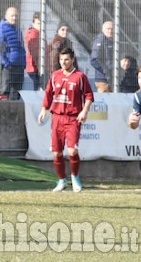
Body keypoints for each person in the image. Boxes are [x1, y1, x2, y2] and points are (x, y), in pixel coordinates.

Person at [38, 47, 93, 193]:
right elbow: (48, 94)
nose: (63, 62)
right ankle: (62, 180)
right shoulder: (55, 75)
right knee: (57, 153)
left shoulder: (80, 77)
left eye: (66, 59)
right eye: (61, 60)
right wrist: (44, 109)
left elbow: (88, 95)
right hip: (57, 118)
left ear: (73, 59)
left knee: (72, 151)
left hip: (73, 118)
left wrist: (84, 111)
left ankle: (75, 177)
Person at [0, 6, 26, 101]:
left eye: (16, 16)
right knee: (5, 95)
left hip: (19, 67)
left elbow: (21, 48)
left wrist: (24, 63)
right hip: (8, 68)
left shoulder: (18, 30)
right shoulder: (1, 31)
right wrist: (6, 63)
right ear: (6, 16)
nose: (14, 18)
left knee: (16, 95)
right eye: (12, 16)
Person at [90, 20, 114, 93]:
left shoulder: (112, 41)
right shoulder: (100, 41)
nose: (110, 31)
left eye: (112, 29)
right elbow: (94, 60)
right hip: (103, 79)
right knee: (104, 101)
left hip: (112, 78)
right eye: (108, 29)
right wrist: (105, 71)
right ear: (103, 30)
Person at [24, 12, 42, 91]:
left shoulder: (38, 33)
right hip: (34, 67)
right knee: (36, 88)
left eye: (41, 23)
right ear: (33, 23)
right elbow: (35, 52)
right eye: (38, 23)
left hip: (35, 66)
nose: (40, 26)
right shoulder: (33, 34)